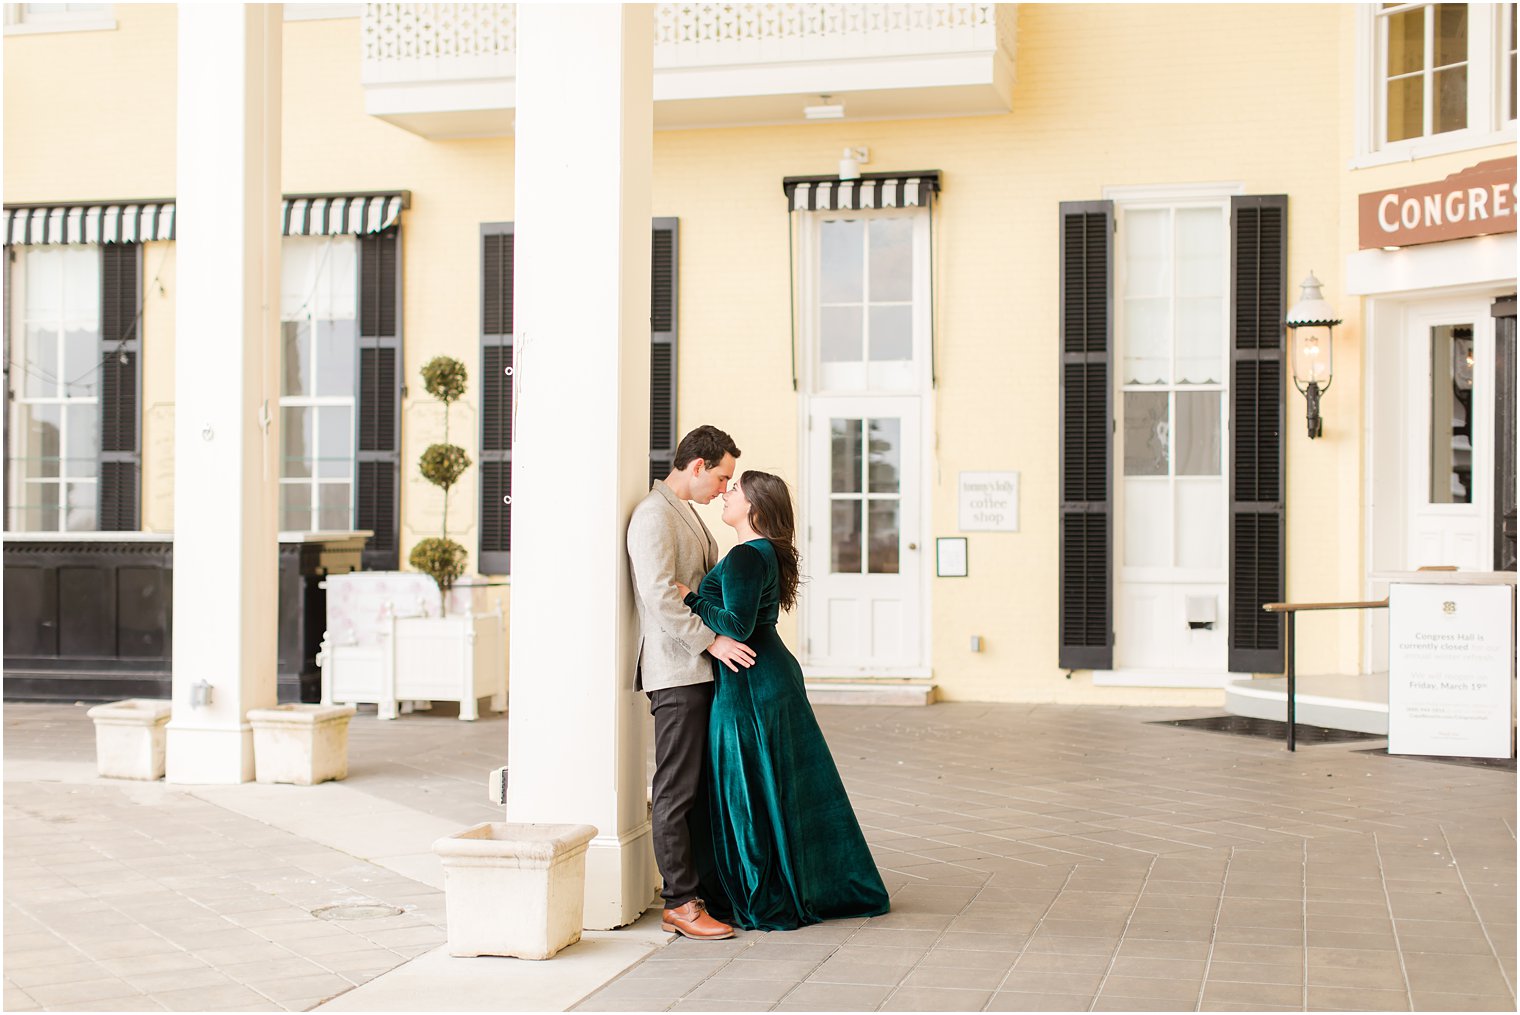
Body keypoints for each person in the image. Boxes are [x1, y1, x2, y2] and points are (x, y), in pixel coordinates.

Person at [675, 470, 890, 930]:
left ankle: (768, 887)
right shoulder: (765, 552)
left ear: (753, 506)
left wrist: (690, 597)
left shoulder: (745, 557)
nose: (726, 495)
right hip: (767, 676)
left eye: (734, 490)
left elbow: (735, 625)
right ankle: (802, 881)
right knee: (779, 785)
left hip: (751, 683)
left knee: (750, 788)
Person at [626, 425, 756, 941]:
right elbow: (659, 598)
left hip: (697, 671)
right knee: (675, 790)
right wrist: (713, 642)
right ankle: (679, 901)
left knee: (698, 787)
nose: (725, 489)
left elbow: (697, 587)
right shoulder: (653, 515)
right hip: (677, 672)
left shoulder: (687, 516)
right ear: (697, 466)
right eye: (722, 477)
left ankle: (699, 891)